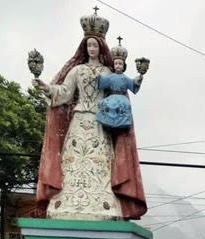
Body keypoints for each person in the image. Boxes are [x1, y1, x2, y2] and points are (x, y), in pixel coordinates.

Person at [33, 11, 146, 220]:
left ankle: (106, 203)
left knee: (101, 159)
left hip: (99, 122)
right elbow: (64, 93)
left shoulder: (107, 72)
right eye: (88, 45)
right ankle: (64, 202)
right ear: (84, 48)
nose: (91, 49)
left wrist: (135, 81)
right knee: (72, 160)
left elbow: (119, 93)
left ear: (101, 47)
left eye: (95, 45)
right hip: (78, 120)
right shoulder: (77, 70)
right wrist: (46, 87)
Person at [96, 45, 142, 129]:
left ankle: (121, 123)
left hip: (122, 99)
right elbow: (101, 81)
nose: (118, 65)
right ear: (113, 65)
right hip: (112, 97)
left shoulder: (125, 78)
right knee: (104, 105)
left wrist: (138, 80)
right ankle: (107, 122)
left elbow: (132, 84)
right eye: (116, 63)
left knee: (123, 108)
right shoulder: (110, 76)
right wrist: (96, 73)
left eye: (120, 64)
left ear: (123, 66)